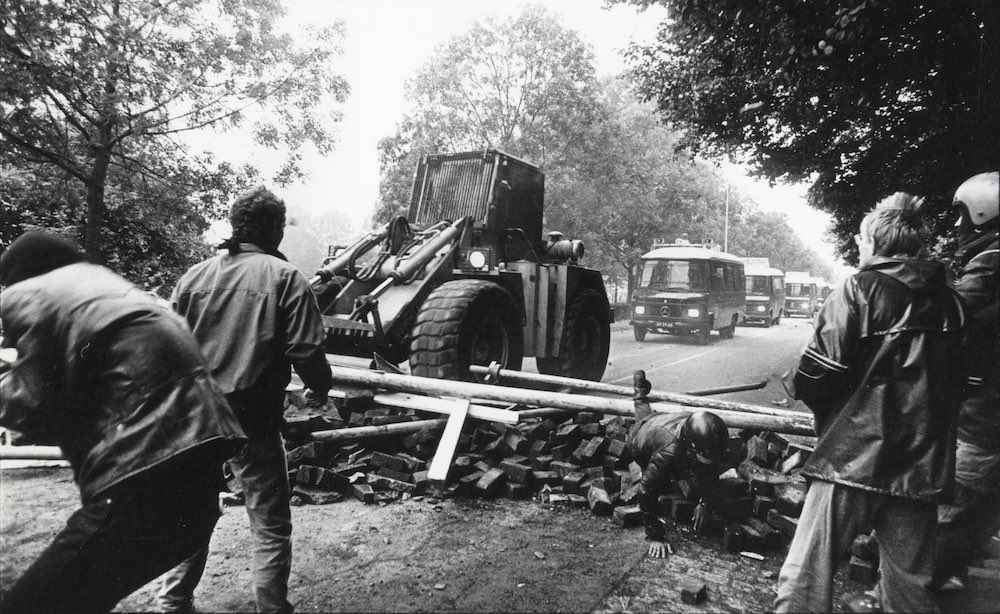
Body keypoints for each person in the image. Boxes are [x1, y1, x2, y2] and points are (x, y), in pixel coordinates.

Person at [0, 231, 246, 614]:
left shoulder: (30, 293)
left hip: (141, 484)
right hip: (197, 491)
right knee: (80, 601)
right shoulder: (118, 292)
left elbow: (31, 406)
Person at [774, 193, 966, 613]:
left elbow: (819, 372)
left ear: (876, 242)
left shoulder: (858, 290)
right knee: (910, 590)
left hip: (852, 458)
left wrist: (795, 382)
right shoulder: (952, 305)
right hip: (921, 467)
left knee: (805, 582)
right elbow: (963, 384)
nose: (859, 248)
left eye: (861, 239)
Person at [159, 186, 333, 614]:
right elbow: (306, 351)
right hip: (251, 419)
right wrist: (320, 387)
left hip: (195, 417)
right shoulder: (285, 278)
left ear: (237, 226)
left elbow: (168, 346)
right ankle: (271, 608)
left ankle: (171, 603)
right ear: (275, 228)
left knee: (190, 512)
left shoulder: (193, 277)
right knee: (269, 521)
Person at [933, 171, 1000, 590]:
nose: (957, 227)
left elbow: (954, 317)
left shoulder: (992, 260)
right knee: (984, 510)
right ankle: (951, 571)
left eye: (962, 216)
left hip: (986, 413)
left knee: (953, 505)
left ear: (983, 211)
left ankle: (906, 593)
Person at [626, 373, 729, 558]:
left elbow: (712, 469)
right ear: (690, 448)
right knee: (660, 478)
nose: (712, 462)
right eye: (705, 456)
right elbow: (646, 491)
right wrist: (655, 535)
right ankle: (639, 393)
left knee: (644, 411)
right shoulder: (669, 452)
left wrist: (705, 502)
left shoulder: (704, 432)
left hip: (662, 420)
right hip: (639, 440)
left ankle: (639, 391)